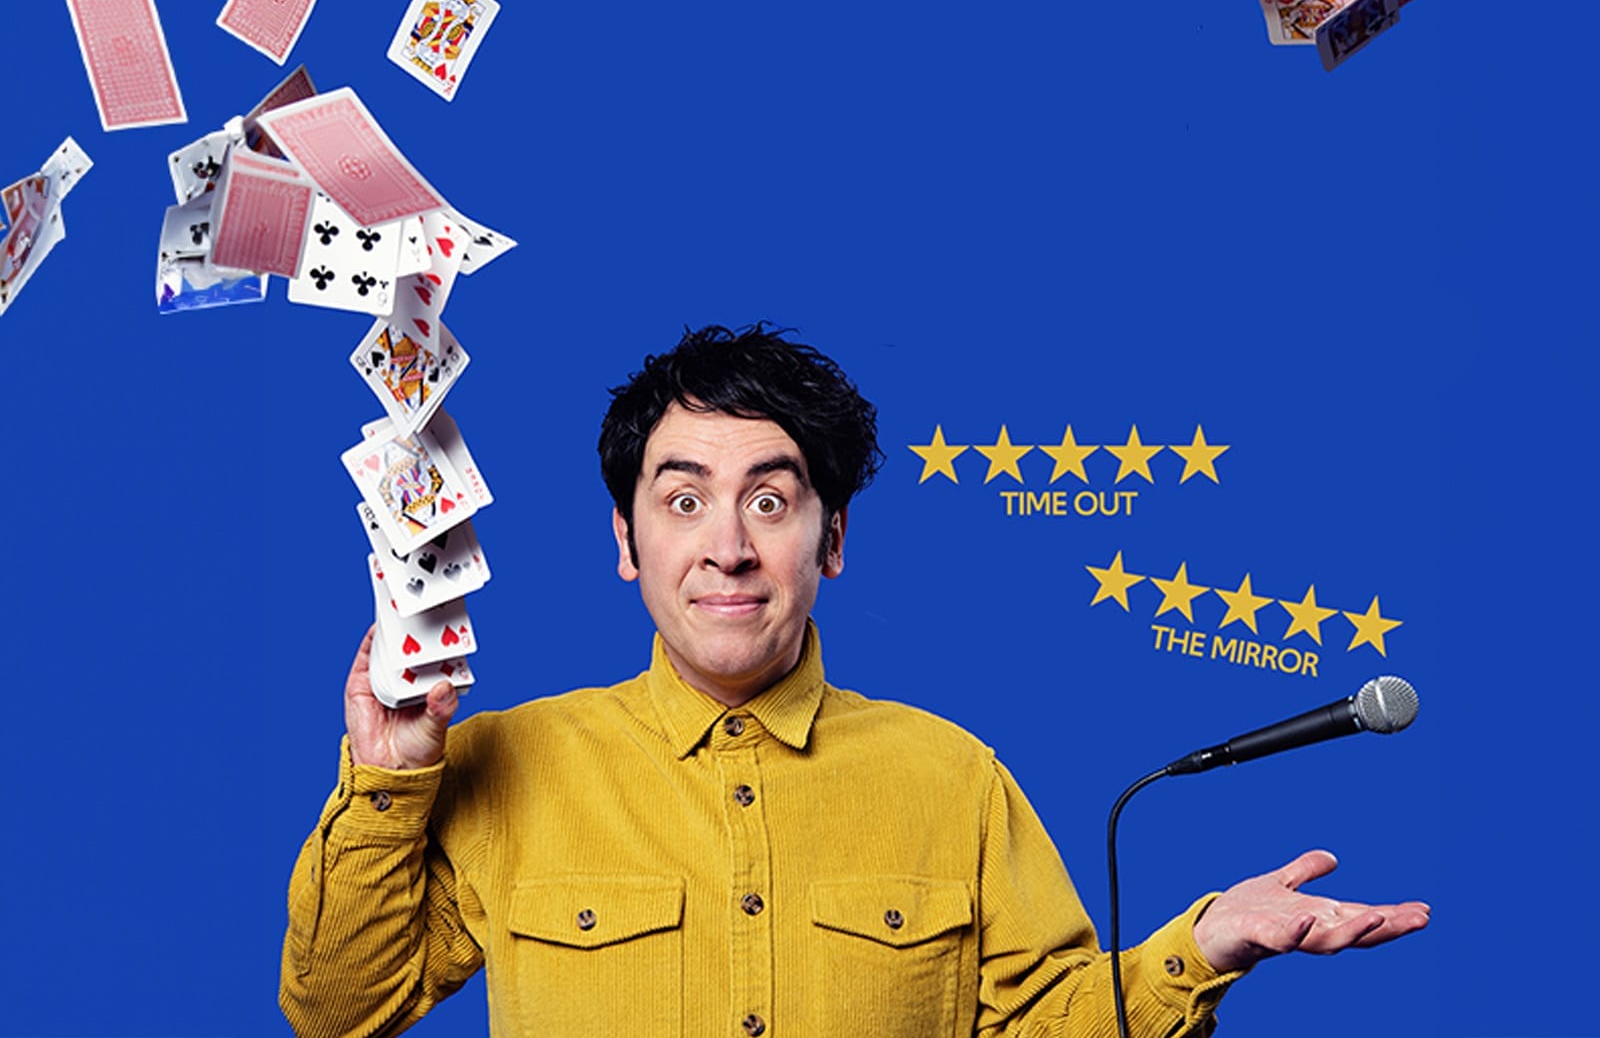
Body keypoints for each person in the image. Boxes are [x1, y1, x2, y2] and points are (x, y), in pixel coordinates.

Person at [280, 323, 1428, 1038]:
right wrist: (385, 784)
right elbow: (336, 1011)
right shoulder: (506, 764)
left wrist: (1200, 946)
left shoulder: (952, 778)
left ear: (830, 539)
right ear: (626, 541)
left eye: (769, 501)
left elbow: (1043, 1027)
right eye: (682, 500)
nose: (727, 547)